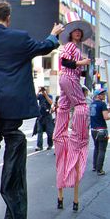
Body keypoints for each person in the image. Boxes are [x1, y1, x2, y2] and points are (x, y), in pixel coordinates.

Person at [0, 1, 63, 219]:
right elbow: (45, 46)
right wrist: (53, 34)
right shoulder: (20, 38)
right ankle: (14, 213)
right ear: (8, 18)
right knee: (14, 154)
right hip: (13, 104)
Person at [52, 11, 92, 211]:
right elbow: (66, 64)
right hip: (68, 77)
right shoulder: (69, 47)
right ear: (70, 34)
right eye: (74, 30)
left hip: (68, 78)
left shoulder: (75, 48)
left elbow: (77, 69)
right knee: (82, 105)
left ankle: (61, 133)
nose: (77, 33)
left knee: (64, 107)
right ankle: (79, 136)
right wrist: (82, 63)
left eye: (79, 31)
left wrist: (84, 67)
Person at [90, 88, 109, 176]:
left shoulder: (92, 104)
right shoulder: (102, 104)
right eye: (102, 94)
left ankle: (94, 166)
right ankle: (99, 169)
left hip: (93, 130)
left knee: (96, 148)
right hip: (102, 130)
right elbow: (106, 117)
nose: (104, 95)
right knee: (102, 150)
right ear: (98, 95)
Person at [34, 87, 54, 151]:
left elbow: (51, 103)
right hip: (40, 116)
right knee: (39, 131)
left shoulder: (50, 96)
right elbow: (34, 99)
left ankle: (50, 145)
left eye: (45, 90)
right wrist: (38, 91)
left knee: (49, 132)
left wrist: (46, 95)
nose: (44, 91)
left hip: (48, 116)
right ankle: (39, 146)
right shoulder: (40, 96)